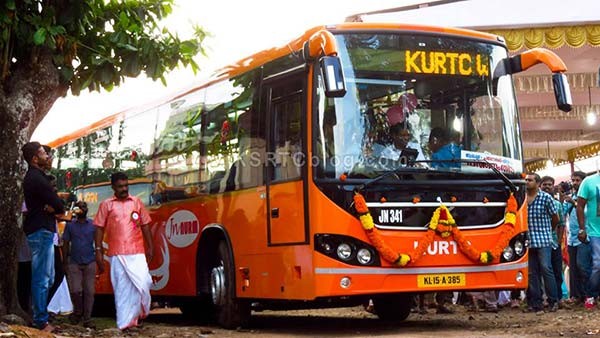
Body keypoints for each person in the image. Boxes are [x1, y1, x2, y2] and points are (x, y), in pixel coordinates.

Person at [94, 172, 154, 330]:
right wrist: (98, 250)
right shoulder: (106, 205)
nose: (124, 189)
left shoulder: (136, 202)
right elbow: (99, 229)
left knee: (144, 282)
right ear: (113, 187)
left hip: (137, 250)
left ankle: (139, 313)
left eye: (126, 185)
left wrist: (151, 246)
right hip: (117, 253)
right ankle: (126, 322)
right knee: (122, 288)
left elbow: (146, 225)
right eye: (120, 186)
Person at [21, 141, 65, 332]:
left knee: (50, 275)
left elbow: (55, 205)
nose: (47, 156)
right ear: (34, 159)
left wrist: (53, 207)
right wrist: (54, 207)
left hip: (44, 229)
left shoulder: (38, 177)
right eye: (43, 153)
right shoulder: (36, 178)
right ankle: (41, 320)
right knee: (42, 277)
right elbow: (58, 204)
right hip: (40, 230)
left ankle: (40, 314)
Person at [525, 173, 559, 314]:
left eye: (530, 180)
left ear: (537, 183)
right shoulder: (522, 198)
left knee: (546, 268)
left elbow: (555, 218)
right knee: (532, 272)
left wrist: (548, 231)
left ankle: (553, 300)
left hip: (544, 239)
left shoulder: (546, 198)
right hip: (528, 240)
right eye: (526, 180)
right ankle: (536, 303)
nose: (527, 182)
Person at [62, 201, 97, 328]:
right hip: (74, 262)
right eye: (80, 207)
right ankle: (78, 311)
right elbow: (65, 243)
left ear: (87, 209)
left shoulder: (93, 224)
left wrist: (99, 258)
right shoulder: (70, 225)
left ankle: (87, 319)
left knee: (89, 291)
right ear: (76, 209)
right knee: (75, 290)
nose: (82, 209)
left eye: (84, 207)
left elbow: (98, 243)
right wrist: (64, 261)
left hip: (90, 261)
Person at [564, 171, 594, 308]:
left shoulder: (588, 196)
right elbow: (562, 215)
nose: (575, 183)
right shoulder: (570, 197)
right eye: (573, 180)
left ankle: (590, 295)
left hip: (585, 237)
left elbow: (586, 211)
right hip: (572, 238)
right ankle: (577, 296)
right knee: (573, 268)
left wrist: (575, 203)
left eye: (577, 180)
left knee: (583, 266)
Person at [576, 169, 600, 310]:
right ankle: (591, 295)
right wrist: (582, 228)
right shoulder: (588, 181)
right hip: (595, 231)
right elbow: (580, 206)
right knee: (597, 263)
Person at [540, 176, 566, 305]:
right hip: (540, 242)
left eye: (549, 184)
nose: (547, 186)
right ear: (540, 185)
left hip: (554, 242)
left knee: (556, 271)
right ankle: (545, 298)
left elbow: (561, 224)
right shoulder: (534, 202)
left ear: (553, 186)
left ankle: (558, 298)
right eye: (544, 184)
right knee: (543, 271)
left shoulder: (557, 204)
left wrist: (560, 240)